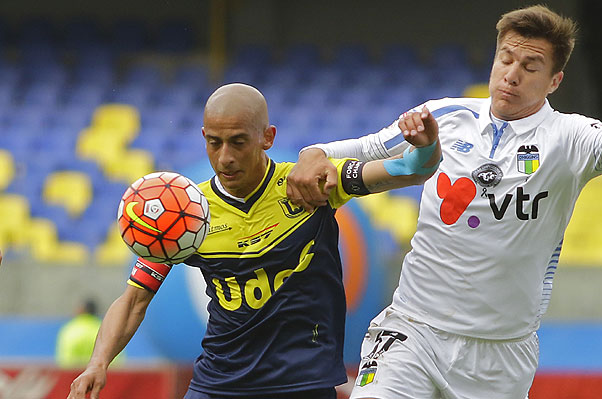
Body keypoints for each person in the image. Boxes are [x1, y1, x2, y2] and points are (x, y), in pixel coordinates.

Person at [287, 5, 602, 399]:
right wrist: (313, 152)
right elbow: (360, 148)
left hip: (499, 354)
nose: (512, 74)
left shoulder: (571, 137)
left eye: (531, 66)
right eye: (506, 58)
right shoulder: (444, 115)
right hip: (412, 330)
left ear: (555, 81)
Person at [67, 83, 441, 399]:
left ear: (267, 137)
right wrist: (98, 363)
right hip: (219, 383)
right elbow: (134, 299)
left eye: (238, 142)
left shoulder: (310, 183)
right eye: (214, 143)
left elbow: (413, 169)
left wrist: (424, 145)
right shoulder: (187, 211)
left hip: (302, 383)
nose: (225, 158)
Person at [55, 299, 104, 368]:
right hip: (102, 375)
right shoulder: (104, 328)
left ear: (81, 310)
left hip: (74, 375)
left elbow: (65, 360)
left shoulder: (70, 329)